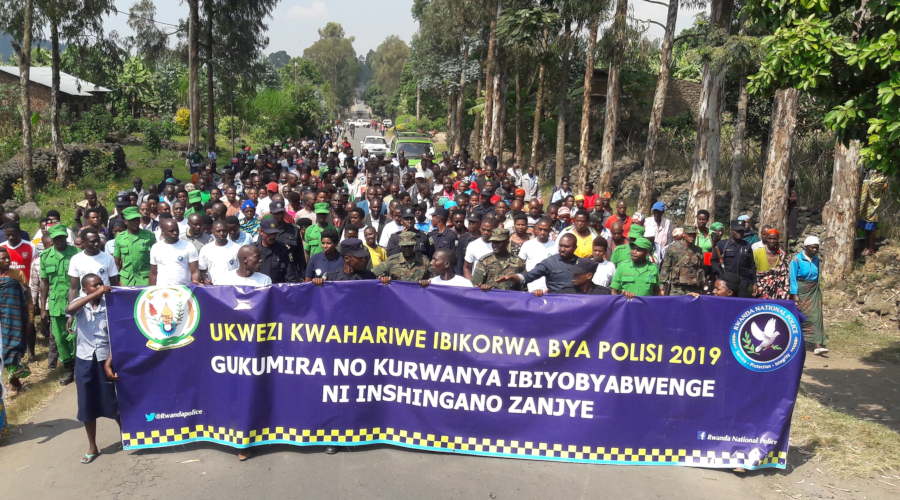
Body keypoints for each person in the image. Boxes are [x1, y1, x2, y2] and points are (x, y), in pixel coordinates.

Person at [65, 274, 119, 464]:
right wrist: (92, 295)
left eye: (101, 284)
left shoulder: (110, 304)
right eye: (94, 285)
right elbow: (69, 309)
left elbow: (117, 335)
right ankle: (92, 446)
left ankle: (126, 434)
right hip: (85, 359)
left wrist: (109, 362)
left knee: (113, 398)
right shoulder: (81, 305)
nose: (100, 287)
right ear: (85, 289)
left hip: (106, 358)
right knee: (87, 402)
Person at [40, 225, 78, 378]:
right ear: (52, 239)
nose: (60, 240)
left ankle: (77, 366)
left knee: (75, 336)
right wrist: (43, 308)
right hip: (56, 303)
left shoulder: (76, 254)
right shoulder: (45, 256)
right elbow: (44, 283)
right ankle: (68, 369)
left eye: (62, 237)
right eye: (56, 238)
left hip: (75, 301)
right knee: (60, 338)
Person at [498, 233, 578, 294]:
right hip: (555, 302)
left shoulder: (581, 263)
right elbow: (528, 276)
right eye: (560, 246)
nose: (562, 249)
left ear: (575, 247)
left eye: (567, 247)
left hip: (577, 303)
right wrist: (512, 277)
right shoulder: (549, 262)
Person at [0, 246, 31, 394]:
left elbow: (27, 297)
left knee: (13, 344)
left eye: (8, 258)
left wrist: (31, 319)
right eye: (3, 258)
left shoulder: (17, 274)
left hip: (14, 317)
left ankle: (14, 379)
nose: (7, 261)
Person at [791, 236, 827, 355]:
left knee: (816, 315)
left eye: (817, 248)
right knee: (802, 315)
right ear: (806, 247)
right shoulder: (796, 260)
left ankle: (817, 344)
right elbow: (792, 278)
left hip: (813, 289)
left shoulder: (816, 259)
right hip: (801, 289)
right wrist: (794, 294)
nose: (815, 250)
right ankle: (800, 341)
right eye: (813, 248)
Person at [711, 220, 756, 297]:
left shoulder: (747, 246)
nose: (739, 233)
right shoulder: (722, 244)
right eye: (737, 231)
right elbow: (714, 261)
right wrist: (721, 274)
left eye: (742, 231)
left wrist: (754, 283)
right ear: (731, 230)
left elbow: (752, 266)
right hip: (726, 284)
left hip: (742, 283)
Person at [149, 219, 199, 286]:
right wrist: (151, 291)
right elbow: (153, 273)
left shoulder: (188, 246)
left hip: (183, 291)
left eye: (176, 230)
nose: (175, 233)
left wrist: (195, 286)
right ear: (163, 231)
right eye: (171, 231)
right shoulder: (156, 248)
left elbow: (194, 271)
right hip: (162, 291)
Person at [659, 225, 706, 296]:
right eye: (689, 234)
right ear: (684, 234)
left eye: (694, 234)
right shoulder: (672, 248)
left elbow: (701, 269)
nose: (692, 237)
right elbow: (665, 268)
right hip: (676, 288)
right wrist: (662, 287)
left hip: (693, 288)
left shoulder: (698, 251)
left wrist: (702, 287)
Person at [256, 219, 300, 283]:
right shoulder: (253, 250)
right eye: (269, 234)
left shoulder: (284, 250)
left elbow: (291, 277)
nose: (273, 236)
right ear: (261, 232)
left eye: (274, 233)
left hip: (277, 290)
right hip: (258, 290)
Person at [753, 228, 790, 300]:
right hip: (761, 287)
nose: (772, 241)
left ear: (778, 239)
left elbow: (785, 274)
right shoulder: (757, 252)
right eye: (769, 238)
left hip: (778, 288)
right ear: (766, 239)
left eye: (774, 239)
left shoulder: (782, 254)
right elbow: (753, 269)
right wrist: (754, 284)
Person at [858, 168, 887, 256]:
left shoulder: (881, 167)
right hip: (868, 180)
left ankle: (870, 248)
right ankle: (867, 247)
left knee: (871, 218)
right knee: (865, 217)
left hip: (874, 181)